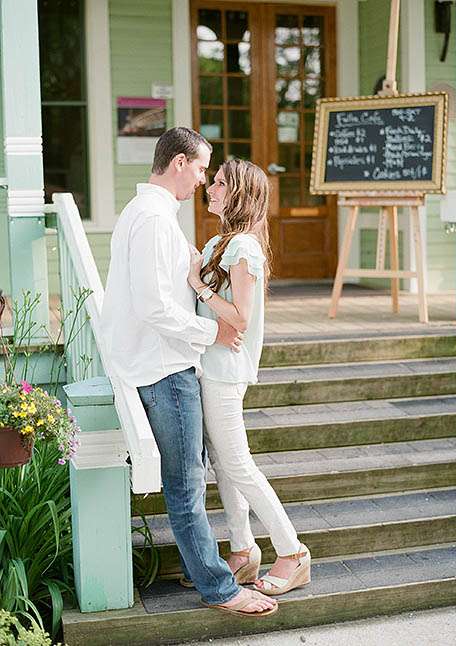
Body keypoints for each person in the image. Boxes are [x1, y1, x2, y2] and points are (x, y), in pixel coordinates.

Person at [101, 127, 277, 617]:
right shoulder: (154, 219)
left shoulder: (148, 214)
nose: (204, 179)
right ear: (179, 163)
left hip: (167, 362)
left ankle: (211, 566)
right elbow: (155, 306)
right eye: (201, 168)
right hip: (166, 367)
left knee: (191, 481)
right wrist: (213, 335)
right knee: (186, 486)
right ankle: (220, 588)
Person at [186, 158, 311, 596]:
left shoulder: (244, 248)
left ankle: (293, 551)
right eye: (213, 181)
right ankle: (241, 551)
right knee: (223, 465)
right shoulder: (218, 243)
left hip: (224, 373)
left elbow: (240, 318)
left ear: (239, 193)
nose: (211, 189)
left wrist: (200, 287)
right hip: (208, 365)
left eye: (220, 184)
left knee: (238, 464)